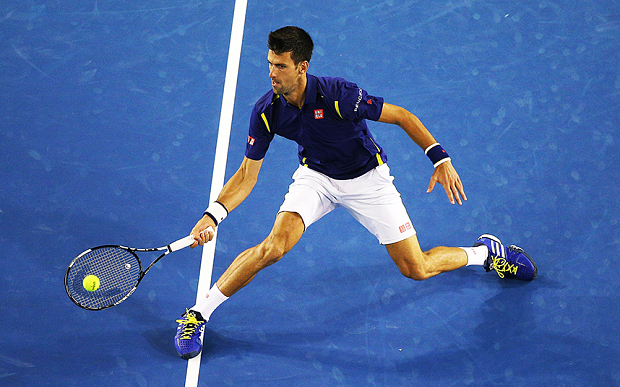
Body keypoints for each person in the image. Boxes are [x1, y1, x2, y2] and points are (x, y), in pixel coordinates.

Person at [173, 26, 537, 360]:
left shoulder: (339, 95)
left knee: (417, 268)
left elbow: (402, 116)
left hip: (368, 182)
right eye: (269, 63)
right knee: (273, 247)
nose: (271, 73)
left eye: (280, 66)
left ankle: (485, 253)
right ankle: (197, 313)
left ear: (302, 67)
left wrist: (439, 158)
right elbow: (246, 175)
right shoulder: (267, 111)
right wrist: (213, 215)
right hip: (316, 177)